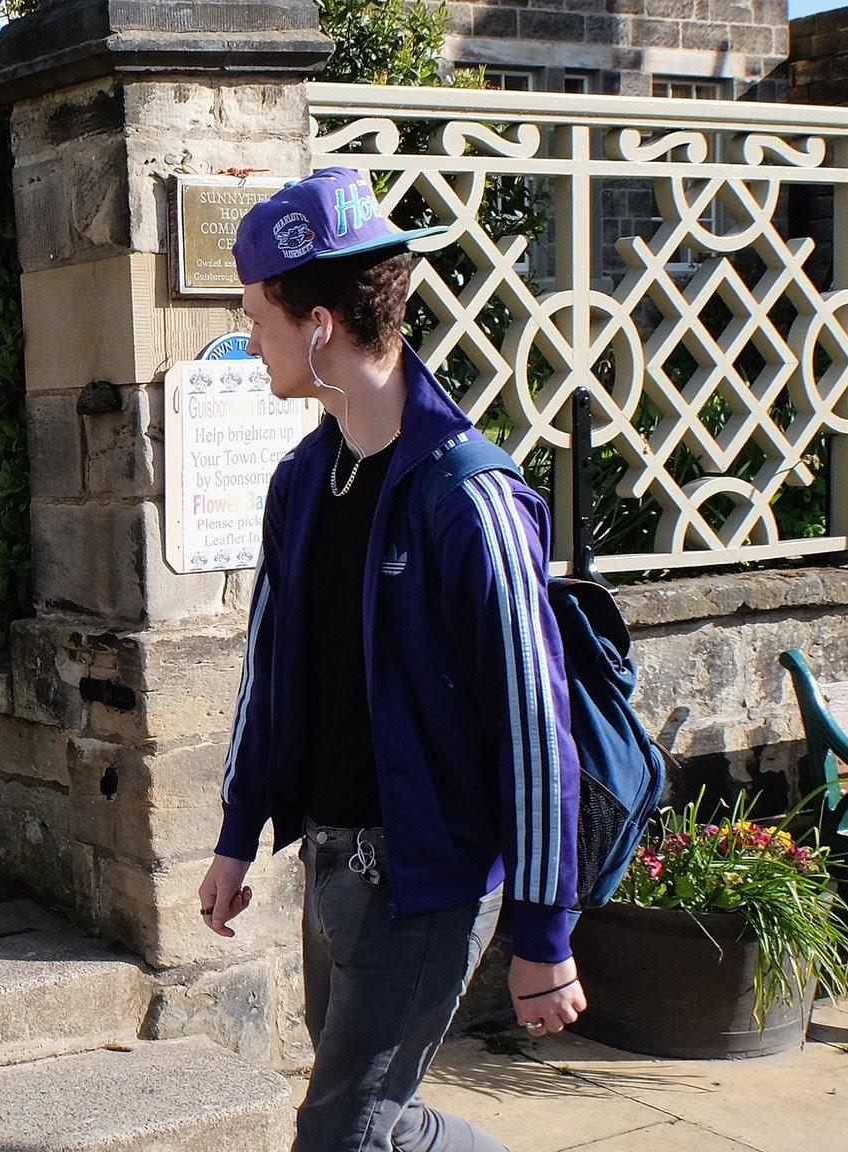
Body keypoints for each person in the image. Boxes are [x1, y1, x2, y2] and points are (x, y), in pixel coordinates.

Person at [196, 168, 589, 1152]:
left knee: (338, 1133)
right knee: (382, 1118)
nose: (251, 345)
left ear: (318, 323)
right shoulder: (299, 483)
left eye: (258, 319)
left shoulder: (467, 501)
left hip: (425, 881)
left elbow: (534, 732)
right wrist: (238, 830)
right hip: (330, 864)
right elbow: (269, 672)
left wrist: (543, 937)